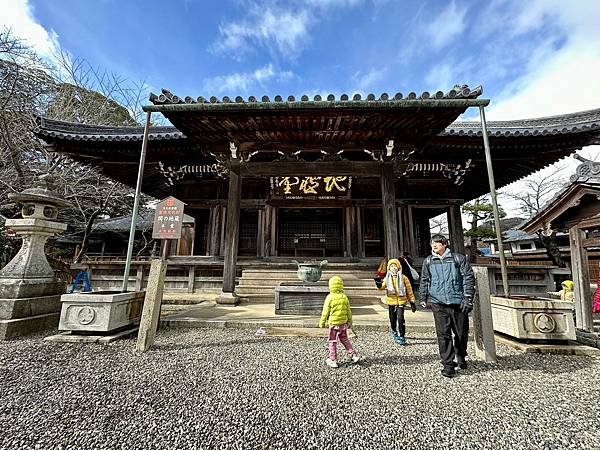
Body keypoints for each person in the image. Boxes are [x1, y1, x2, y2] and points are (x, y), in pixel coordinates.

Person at [419, 235, 475, 378]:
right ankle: (448, 364)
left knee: (461, 333)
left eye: (437, 243)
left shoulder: (458, 259)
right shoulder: (429, 261)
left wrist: (468, 298)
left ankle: (461, 354)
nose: (434, 246)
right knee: (443, 334)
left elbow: (468, 277)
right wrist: (423, 297)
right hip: (438, 301)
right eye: (432, 243)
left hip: (457, 301)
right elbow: (424, 280)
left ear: (445, 244)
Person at [319, 276, 360, 368]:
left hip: (334, 324)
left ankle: (333, 359)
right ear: (341, 286)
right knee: (345, 340)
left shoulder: (329, 297)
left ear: (331, 286)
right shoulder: (344, 297)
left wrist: (322, 321)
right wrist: (350, 321)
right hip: (343, 324)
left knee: (332, 341)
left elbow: (325, 311)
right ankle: (353, 355)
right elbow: (348, 310)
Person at [377, 258, 417, 345]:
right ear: (389, 268)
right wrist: (379, 285)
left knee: (400, 318)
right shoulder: (387, 278)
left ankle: (402, 335)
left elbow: (409, 290)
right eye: (391, 266)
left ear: (398, 267)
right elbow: (382, 287)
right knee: (392, 318)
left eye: (395, 266)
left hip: (401, 301)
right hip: (391, 301)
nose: (393, 268)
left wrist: (412, 301)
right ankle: (394, 330)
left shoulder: (403, 278)